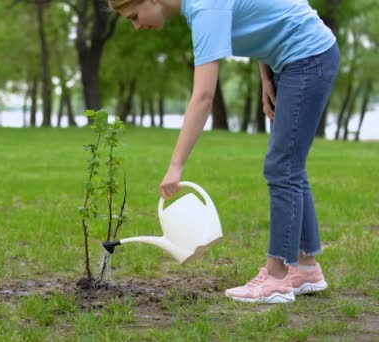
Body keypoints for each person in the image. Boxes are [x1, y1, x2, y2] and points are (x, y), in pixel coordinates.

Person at [110, 0, 339, 304]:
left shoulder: (204, 9)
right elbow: (262, 15)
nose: (137, 25)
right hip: (298, 58)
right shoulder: (201, 7)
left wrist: (176, 165)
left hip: (307, 57)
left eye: (134, 16)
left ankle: (276, 278)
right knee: (290, 165)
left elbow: (203, 97)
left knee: (282, 167)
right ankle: (306, 269)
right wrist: (265, 74)